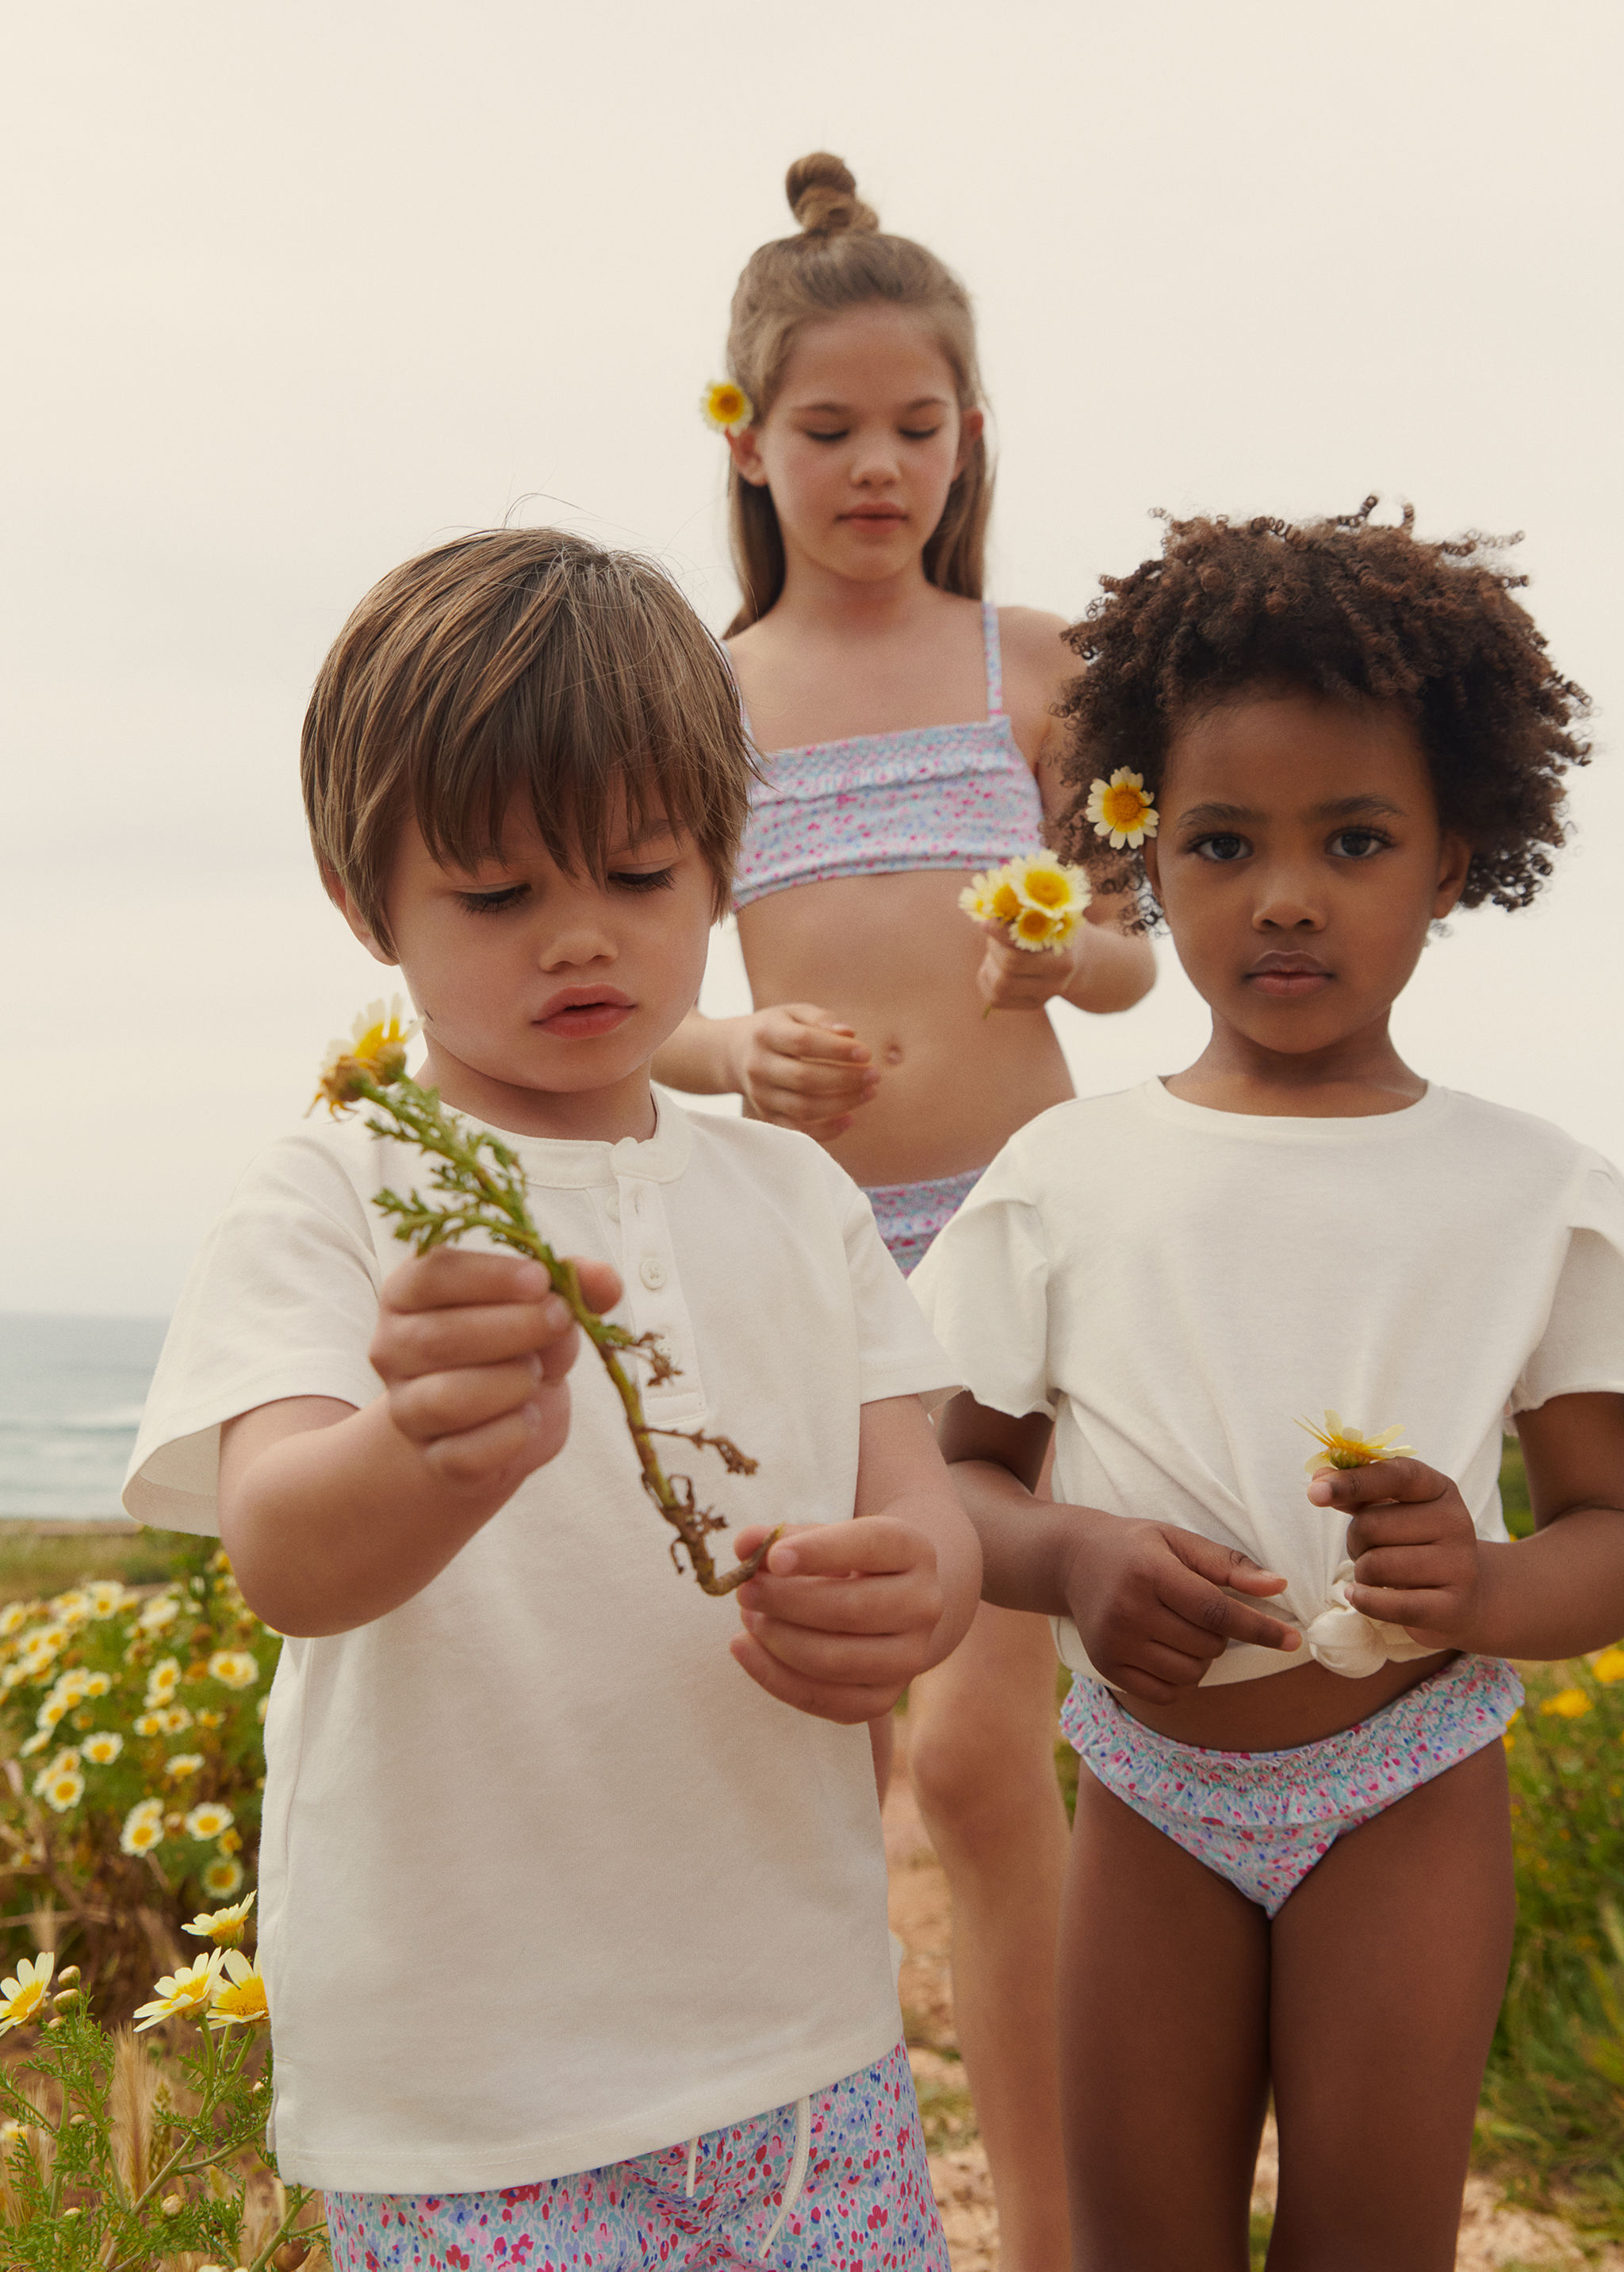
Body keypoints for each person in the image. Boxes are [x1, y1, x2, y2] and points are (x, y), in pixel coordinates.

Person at [123, 530, 982, 2270]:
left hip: (801, 2039)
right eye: (497, 895)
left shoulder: (797, 1198)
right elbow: (285, 1554)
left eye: (642, 874)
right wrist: (428, 1459)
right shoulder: (334, 1187)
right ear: (367, 902)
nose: (580, 937)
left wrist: (915, 1590)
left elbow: (925, 1506)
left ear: (723, 867)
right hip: (468, 2088)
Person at [911, 497, 1624, 2271]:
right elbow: (956, 1483)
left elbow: (1609, 1527)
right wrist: (1070, 1560)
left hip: (1406, 1779)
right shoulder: (1062, 1175)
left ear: (1455, 854)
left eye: (1356, 837)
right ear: (1147, 858)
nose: (1285, 893)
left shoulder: (1531, 1190)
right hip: (1149, 1790)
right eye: (1222, 841)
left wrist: (1485, 1587)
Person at [654, 154, 1155, 2271]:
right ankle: (797, 2204)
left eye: (917, 424)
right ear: (748, 441)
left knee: (972, 1749)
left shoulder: (1031, 667)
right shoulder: (704, 687)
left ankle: (1051, 2232)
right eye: (830, 426)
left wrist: (1072, 968)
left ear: (971, 436)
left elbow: (1141, 944)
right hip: (794, 1255)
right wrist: (730, 1058)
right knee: (812, 1756)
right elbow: (641, 995)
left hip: (1020, 1239)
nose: (877, 463)